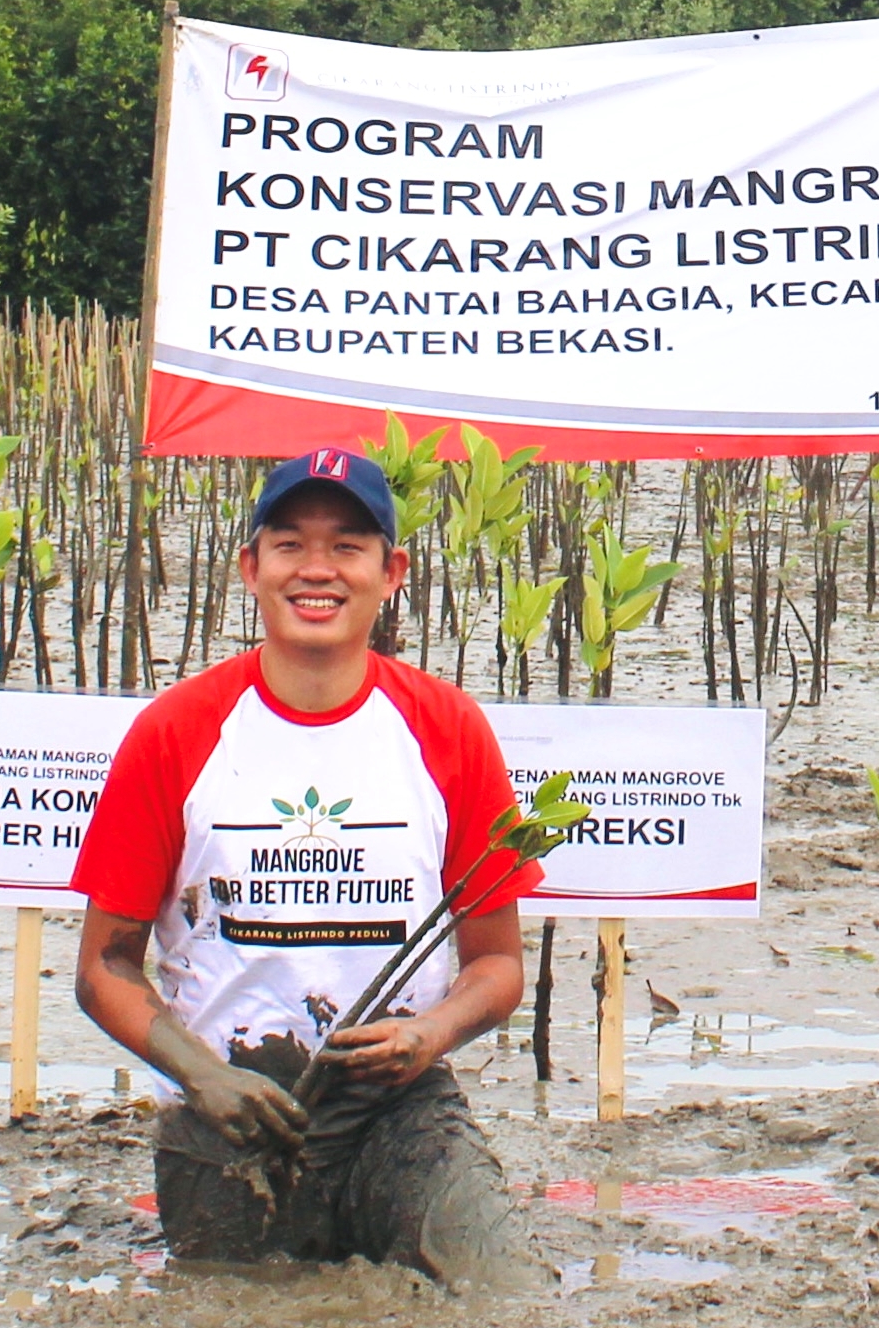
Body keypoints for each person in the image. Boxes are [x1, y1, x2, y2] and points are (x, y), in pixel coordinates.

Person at [71, 450, 540, 1279]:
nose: (316, 571)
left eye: (347, 548)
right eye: (289, 545)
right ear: (252, 568)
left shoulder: (447, 729)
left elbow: (498, 965)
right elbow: (105, 967)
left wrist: (429, 1034)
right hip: (231, 1114)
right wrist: (203, 1078)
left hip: (400, 1104)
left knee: (501, 1296)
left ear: (391, 573)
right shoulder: (176, 731)